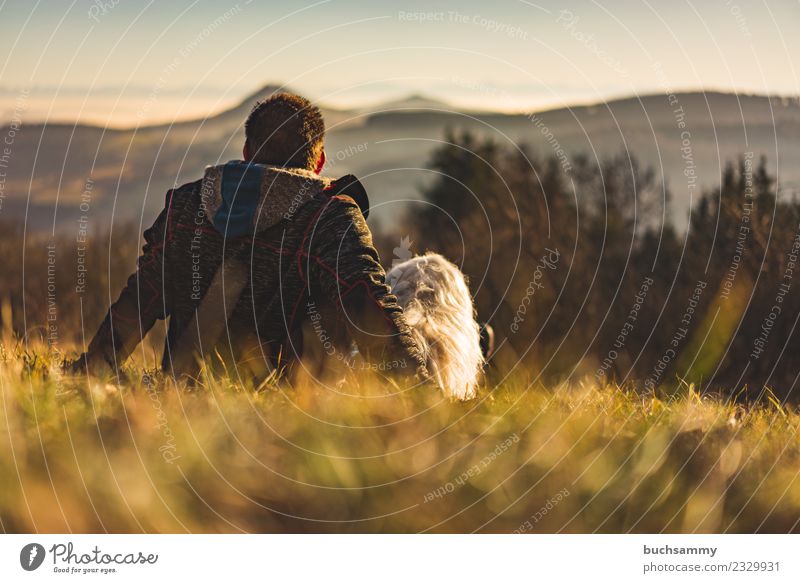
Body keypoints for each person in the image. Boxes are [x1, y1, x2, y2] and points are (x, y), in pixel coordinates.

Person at [73, 92, 428, 384]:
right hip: (294, 414)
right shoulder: (329, 217)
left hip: (186, 395)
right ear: (318, 163)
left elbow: (142, 298)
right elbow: (367, 303)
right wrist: (419, 384)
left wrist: (92, 367)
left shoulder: (187, 204)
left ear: (246, 153)